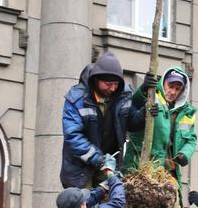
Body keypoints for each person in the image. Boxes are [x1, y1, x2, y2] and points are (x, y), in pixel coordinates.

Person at [61, 51, 144, 189]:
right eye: (108, 83)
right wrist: (99, 159)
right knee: (83, 207)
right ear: (96, 79)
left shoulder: (124, 94)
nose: (112, 88)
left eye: (116, 83)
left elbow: (132, 123)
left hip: (109, 167)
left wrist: (145, 110)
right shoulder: (76, 99)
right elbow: (73, 136)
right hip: (80, 171)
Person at [123, 67, 197, 208]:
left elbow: (191, 139)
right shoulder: (152, 97)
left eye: (178, 89)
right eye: (171, 86)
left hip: (168, 169)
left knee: (171, 207)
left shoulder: (187, 112)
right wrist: (144, 88)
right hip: (141, 167)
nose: (173, 92)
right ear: (163, 83)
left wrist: (184, 154)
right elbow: (135, 105)